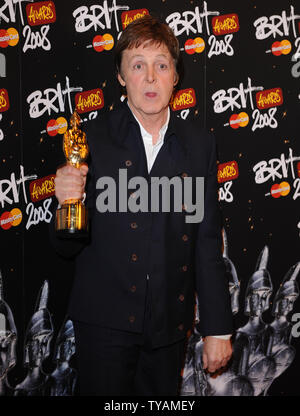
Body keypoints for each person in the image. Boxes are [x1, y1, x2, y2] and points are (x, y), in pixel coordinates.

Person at [50, 15, 233, 396]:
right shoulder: (91, 140)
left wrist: (217, 328)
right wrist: (65, 204)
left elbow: (206, 244)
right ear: (120, 76)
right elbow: (65, 250)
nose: (150, 78)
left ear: (175, 76)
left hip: (168, 330)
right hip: (102, 327)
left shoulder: (199, 146)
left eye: (161, 65)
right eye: (138, 65)